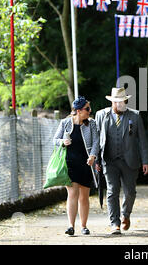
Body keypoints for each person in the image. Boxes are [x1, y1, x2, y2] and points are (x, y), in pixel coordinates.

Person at [93, 87, 148, 235]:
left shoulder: (135, 116)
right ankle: (115, 223)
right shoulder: (101, 115)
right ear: (112, 102)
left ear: (126, 101)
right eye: (116, 102)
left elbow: (143, 141)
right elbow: (97, 140)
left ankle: (126, 214)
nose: (119, 104)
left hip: (130, 160)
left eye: (122, 101)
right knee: (112, 191)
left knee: (130, 192)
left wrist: (146, 161)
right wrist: (96, 160)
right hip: (109, 160)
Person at [53, 96, 97, 236]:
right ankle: (70, 226)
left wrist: (93, 156)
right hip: (69, 163)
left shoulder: (91, 124)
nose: (89, 111)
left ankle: (83, 226)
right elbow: (54, 140)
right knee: (72, 194)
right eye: (87, 109)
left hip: (86, 164)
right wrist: (62, 142)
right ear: (78, 111)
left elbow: (96, 142)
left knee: (84, 196)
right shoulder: (65, 123)